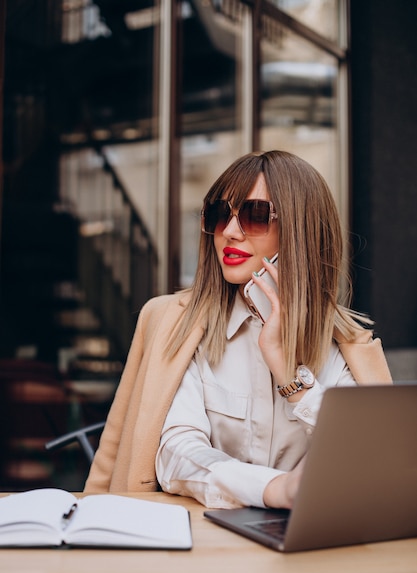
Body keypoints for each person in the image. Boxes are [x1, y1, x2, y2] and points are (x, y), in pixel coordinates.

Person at [84, 150, 392, 507]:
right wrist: (274, 489)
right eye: (219, 215)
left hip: (312, 546)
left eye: (255, 215)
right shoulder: (177, 324)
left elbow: (372, 459)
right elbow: (175, 451)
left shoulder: (348, 347)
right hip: (200, 543)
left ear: (300, 230)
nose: (229, 232)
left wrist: (290, 377)